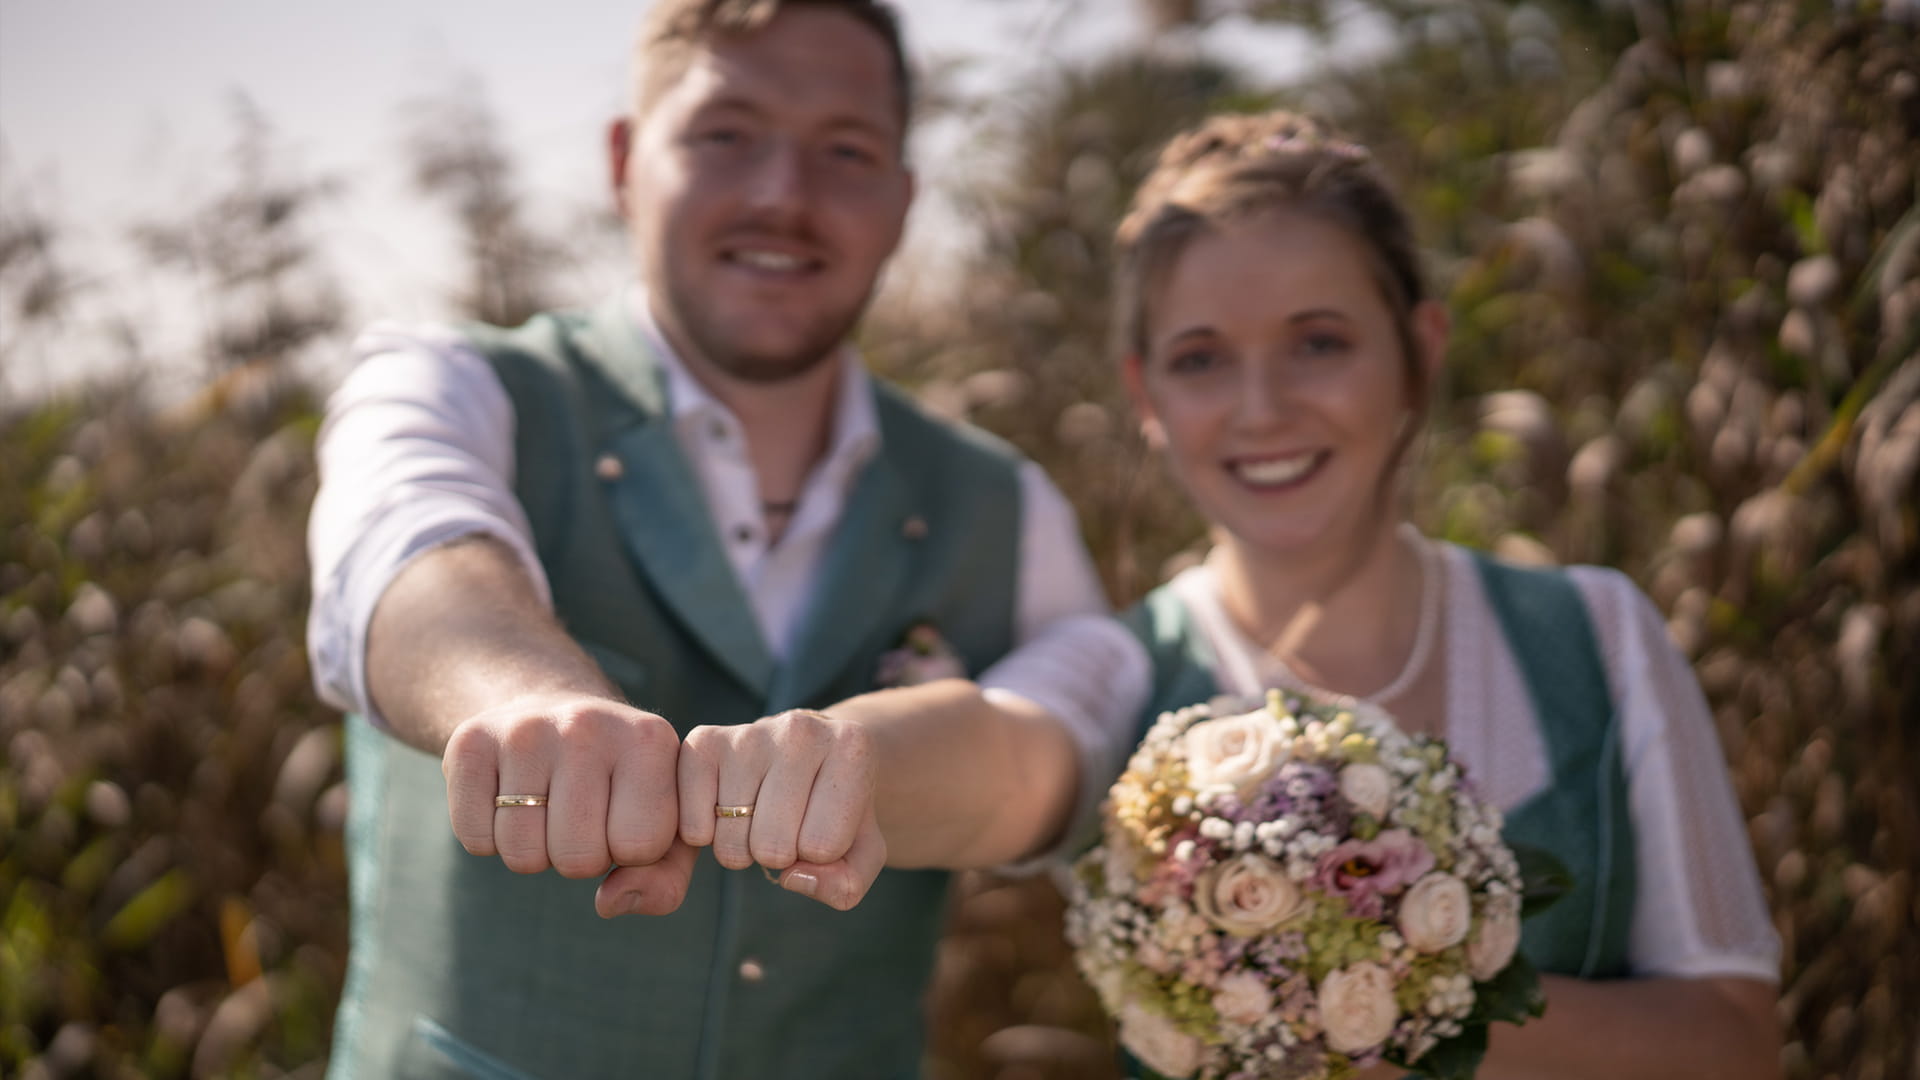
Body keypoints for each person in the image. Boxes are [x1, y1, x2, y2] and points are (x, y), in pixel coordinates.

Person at [723, 111, 1783, 1079]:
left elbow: (1734, 1042)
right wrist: (836, 761)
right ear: (1146, 394)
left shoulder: (1597, 633)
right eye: (1201, 360)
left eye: (1319, 342)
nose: (1263, 408)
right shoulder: (1125, 668)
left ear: (1418, 353)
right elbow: (1002, 751)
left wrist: (1403, 992)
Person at [303, 2, 1119, 1077]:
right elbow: (407, 559)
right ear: (626, 159)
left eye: (846, 149)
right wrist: (529, 704)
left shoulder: (1006, 503)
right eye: (725, 134)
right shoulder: (452, 383)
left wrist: (873, 768)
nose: (784, 196)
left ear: (902, 199)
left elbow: (1073, 723)